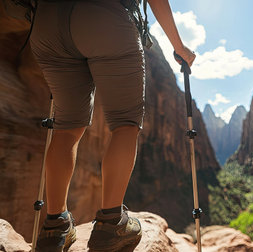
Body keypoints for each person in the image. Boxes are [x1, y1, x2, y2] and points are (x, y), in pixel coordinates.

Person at [30, 0, 195, 251]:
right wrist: (179, 46)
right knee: (125, 123)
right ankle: (111, 224)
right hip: (103, 17)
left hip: (47, 24)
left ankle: (55, 225)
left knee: (66, 127)